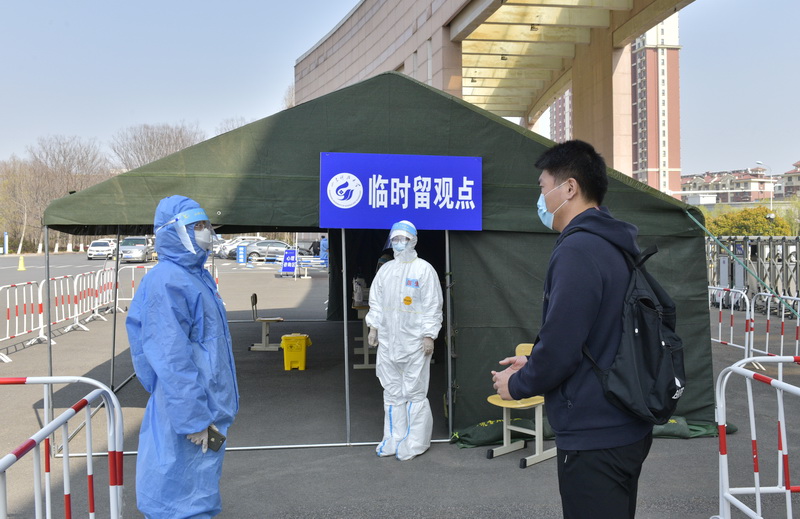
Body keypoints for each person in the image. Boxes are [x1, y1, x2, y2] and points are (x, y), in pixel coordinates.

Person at [491, 140, 652, 519]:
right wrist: (533, 359)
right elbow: (596, 333)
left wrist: (518, 384)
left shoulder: (578, 249)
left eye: (543, 187)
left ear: (569, 188)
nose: (541, 198)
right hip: (624, 421)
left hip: (595, 431)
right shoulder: (614, 243)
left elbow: (562, 348)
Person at [127, 195, 240, 519]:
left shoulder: (193, 276)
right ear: (174, 231)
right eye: (197, 226)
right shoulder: (168, 280)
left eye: (206, 225)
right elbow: (169, 357)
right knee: (178, 496)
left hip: (204, 404)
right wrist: (193, 418)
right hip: (189, 410)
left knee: (197, 488)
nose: (205, 232)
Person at [365, 220, 443, 460]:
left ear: (414, 240)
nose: (399, 243)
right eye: (395, 239)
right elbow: (376, 302)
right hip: (389, 342)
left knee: (414, 392)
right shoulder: (386, 271)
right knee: (392, 392)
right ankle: (393, 439)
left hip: (415, 344)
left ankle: (416, 442)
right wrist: (373, 327)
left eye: (404, 239)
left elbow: (433, 305)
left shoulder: (424, 270)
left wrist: (429, 335)